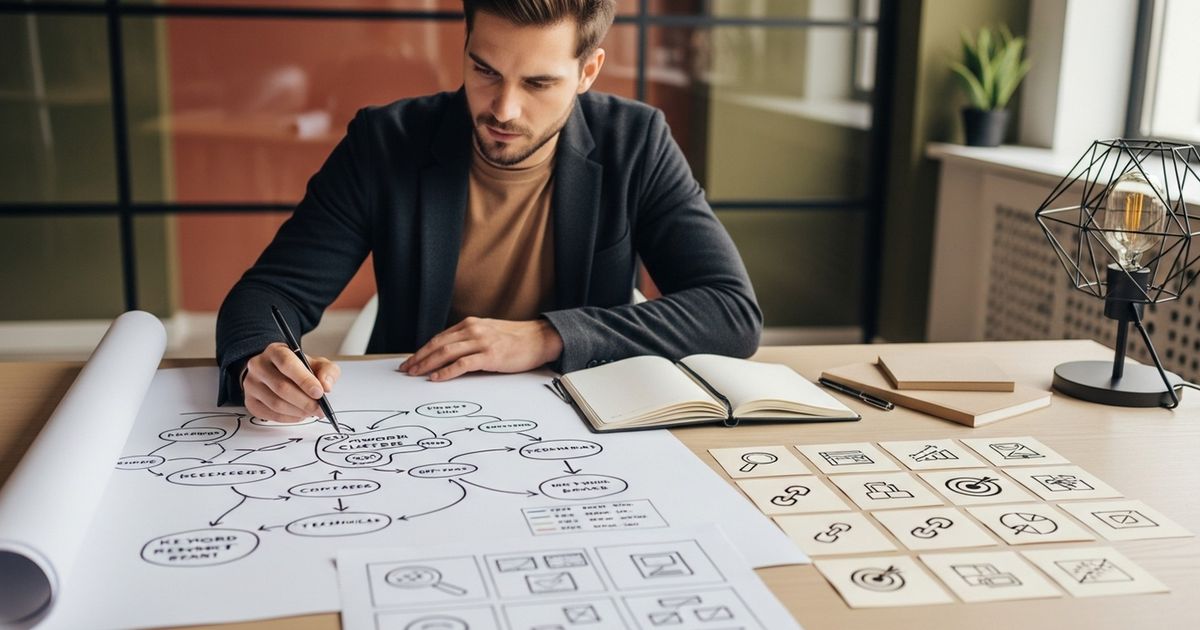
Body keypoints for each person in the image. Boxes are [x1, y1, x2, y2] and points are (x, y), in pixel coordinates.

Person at [216, 0, 761, 422]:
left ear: (588, 71)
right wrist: (257, 363)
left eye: (538, 83)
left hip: (589, 420)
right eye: (485, 71)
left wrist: (547, 336)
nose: (503, 108)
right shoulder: (385, 142)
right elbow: (270, 294)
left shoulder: (635, 141)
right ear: (467, 46)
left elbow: (730, 312)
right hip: (414, 417)